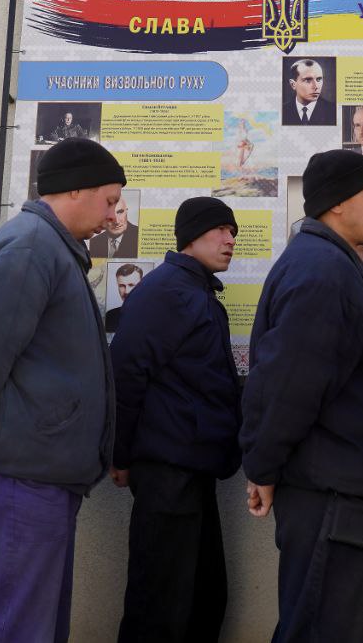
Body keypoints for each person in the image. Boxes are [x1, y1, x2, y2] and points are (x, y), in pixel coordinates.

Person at [0, 138, 124, 643]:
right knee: (10, 630)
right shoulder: (32, 246)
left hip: (37, 477)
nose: (112, 216)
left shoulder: (52, 249)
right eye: (109, 200)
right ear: (75, 189)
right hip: (22, 482)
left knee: (29, 628)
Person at [241, 150, 363, 643]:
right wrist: (263, 466)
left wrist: (265, 464)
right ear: (337, 203)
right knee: (323, 629)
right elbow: (289, 384)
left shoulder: (325, 264)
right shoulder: (323, 271)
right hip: (329, 492)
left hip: (331, 487)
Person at [110, 197, 241, 643]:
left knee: (203, 597)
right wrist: (121, 454)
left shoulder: (195, 291)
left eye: (233, 232)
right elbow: (126, 373)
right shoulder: (167, 292)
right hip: (168, 471)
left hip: (192, 469)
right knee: (161, 605)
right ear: (191, 236)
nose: (229, 240)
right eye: (220, 229)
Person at [281, 59, 334, 125]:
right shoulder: (282, 111)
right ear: (293, 84)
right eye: (308, 80)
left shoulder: (333, 111)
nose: (316, 86)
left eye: (319, 79)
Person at [89, 193, 140, 259]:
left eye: (120, 212)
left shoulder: (139, 235)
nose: (117, 221)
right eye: (108, 214)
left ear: (126, 211)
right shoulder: (95, 242)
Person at [106, 262, 145, 333]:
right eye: (122, 286)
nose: (126, 291)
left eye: (131, 285)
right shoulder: (110, 316)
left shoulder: (152, 315)